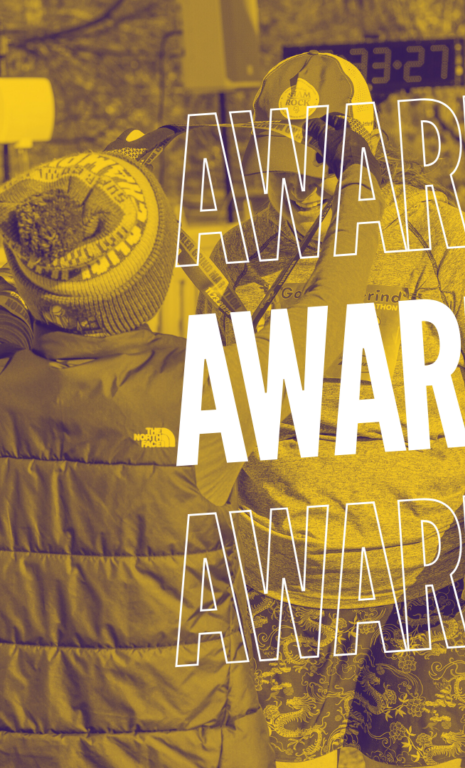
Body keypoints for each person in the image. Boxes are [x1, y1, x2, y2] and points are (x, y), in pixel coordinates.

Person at [196, 52, 465, 768]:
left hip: (434, 581)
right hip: (284, 585)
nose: (302, 182)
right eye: (280, 160)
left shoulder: (444, 242)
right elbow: (222, 417)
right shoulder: (246, 254)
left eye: (323, 156)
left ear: (364, 147)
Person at [0, 127, 378, 767]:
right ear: (156, 280)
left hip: (25, 732)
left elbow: (22, 279)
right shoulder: (208, 388)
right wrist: (362, 193)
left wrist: (86, 195)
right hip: (184, 733)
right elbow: (330, 308)